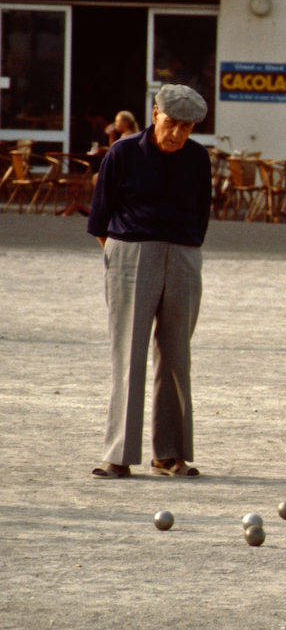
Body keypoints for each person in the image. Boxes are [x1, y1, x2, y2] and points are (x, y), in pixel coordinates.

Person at [87, 84, 211, 479]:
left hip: (184, 258)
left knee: (176, 357)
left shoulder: (198, 158)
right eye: (171, 123)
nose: (177, 134)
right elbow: (99, 217)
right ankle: (118, 455)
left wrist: (184, 252)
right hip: (130, 253)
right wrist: (121, 254)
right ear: (154, 114)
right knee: (129, 353)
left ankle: (170, 454)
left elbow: (202, 214)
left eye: (186, 128)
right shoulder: (122, 153)